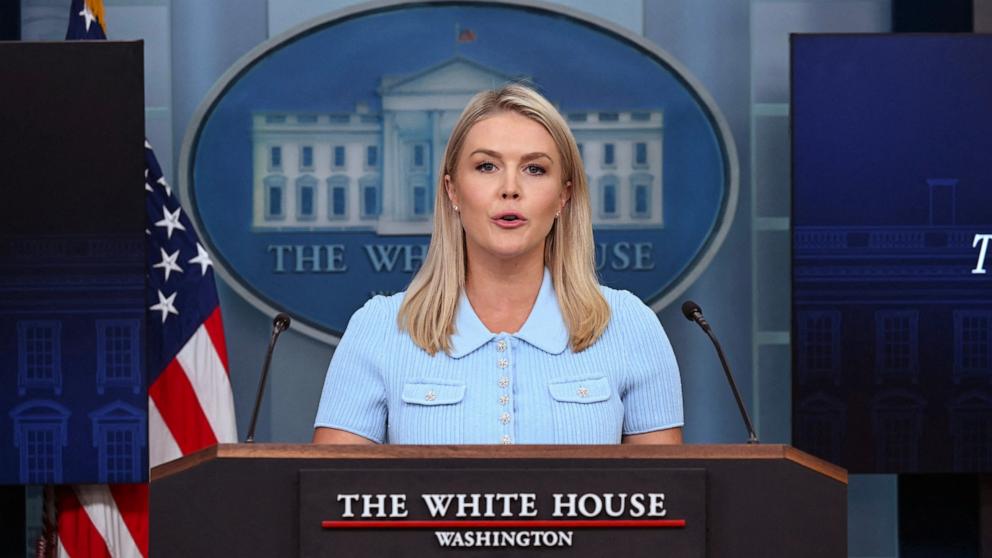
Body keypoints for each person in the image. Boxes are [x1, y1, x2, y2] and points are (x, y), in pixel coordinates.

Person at [312, 84, 683, 445]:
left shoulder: (629, 325)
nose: (510, 188)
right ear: (452, 190)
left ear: (563, 196)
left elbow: (668, 499)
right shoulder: (379, 328)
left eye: (534, 169)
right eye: (487, 166)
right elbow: (329, 498)